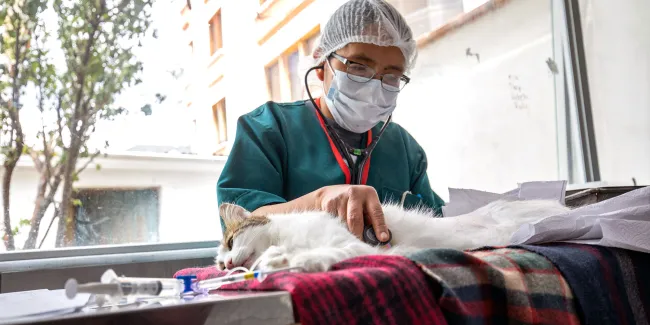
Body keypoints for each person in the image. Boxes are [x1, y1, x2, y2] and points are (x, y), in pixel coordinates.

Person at [217, 0, 445, 242]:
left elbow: (437, 221)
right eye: (358, 67)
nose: (373, 87)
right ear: (321, 65)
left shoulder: (403, 148)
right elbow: (240, 226)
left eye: (391, 76)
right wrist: (319, 201)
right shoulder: (268, 130)